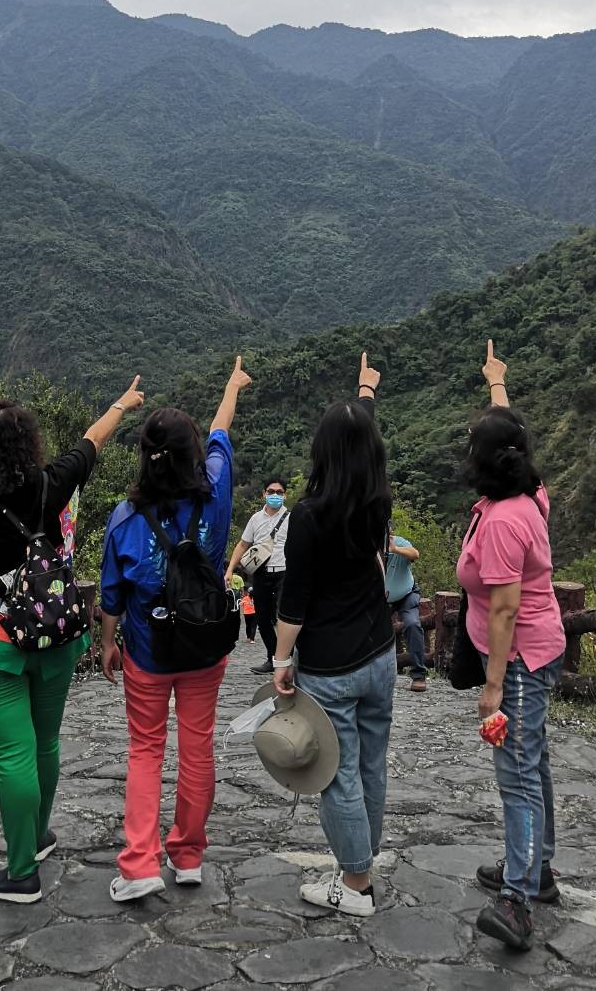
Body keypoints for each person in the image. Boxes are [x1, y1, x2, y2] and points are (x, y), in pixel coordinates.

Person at [0, 379, 145, 904]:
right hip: (54, 637)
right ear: (29, 446)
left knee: (13, 753)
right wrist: (121, 402)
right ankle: (39, 834)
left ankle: (20, 871)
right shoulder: (50, 485)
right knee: (45, 743)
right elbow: (90, 442)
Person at [100, 356, 252, 902]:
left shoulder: (124, 517)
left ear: (145, 459)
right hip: (205, 649)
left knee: (145, 750)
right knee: (198, 746)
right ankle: (187, 855)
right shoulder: (216, 491)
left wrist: (106, 645)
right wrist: (232, 385)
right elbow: (220, 432)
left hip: (147, 650)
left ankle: (139, 863)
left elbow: (112, 596)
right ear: (191, 458)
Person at [273, 352, 395, 918]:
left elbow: (293, 602)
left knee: (338, 775)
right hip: (380, 654)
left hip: (332, 668)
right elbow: (360, 439)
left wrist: (279, 658)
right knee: (371, 763)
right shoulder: (377, 499)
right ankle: (362, 860)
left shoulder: (308, 514)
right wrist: (365, 392)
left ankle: (356, 882)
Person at [456, 341, 565, 952]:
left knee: (517, 774)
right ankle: (537, 866)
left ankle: (519, 899)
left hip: (518, 662)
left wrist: (493, 688)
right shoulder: (529, 496)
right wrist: (497, 383)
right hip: (538, 649)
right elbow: (512, 435)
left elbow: (503, 607)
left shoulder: (501, 522)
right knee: (535, 764)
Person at [225, 478, 290, 674]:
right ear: (264, 494)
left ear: (285, 495)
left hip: (285, 572)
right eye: (271, 491)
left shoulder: (292, 517)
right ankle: (272, 657)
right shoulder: (255, 519)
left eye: (279, 492)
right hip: (261, 573)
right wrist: (230, 570)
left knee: (283, 618)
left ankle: (285, 658)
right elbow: (243, 544)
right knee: (263, 620)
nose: (275, 495)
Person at [385, 533, 426, 692]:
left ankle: (419, 674)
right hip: (379, 598)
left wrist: (395, 549)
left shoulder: (398, 541)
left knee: (412, 624)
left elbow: (415, 554)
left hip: (406, 594)